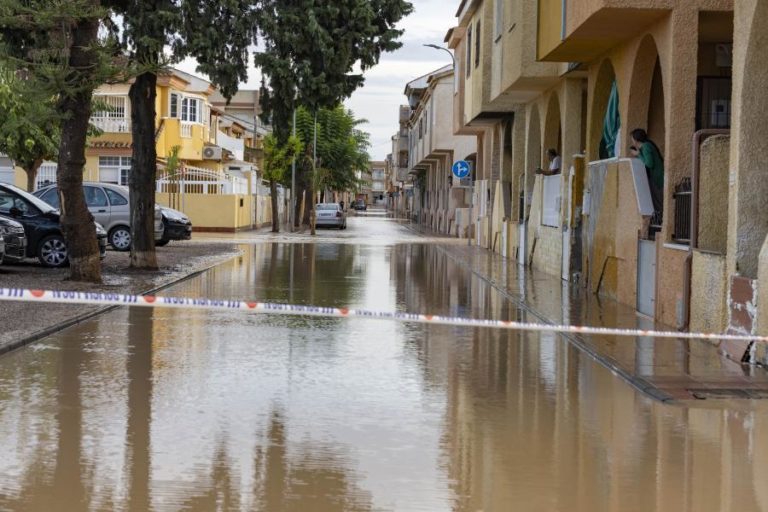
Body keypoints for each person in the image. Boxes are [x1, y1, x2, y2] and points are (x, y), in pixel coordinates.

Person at [629, 128, 664, 215]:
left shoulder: (646, 146)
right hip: (657, 178)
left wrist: (638, 154)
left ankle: (660, 223)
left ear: (636, 140)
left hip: (657, 179)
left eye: (632, 139)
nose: (632, 141)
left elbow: (649, 164)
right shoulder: (647, 145)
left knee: (659, 203)